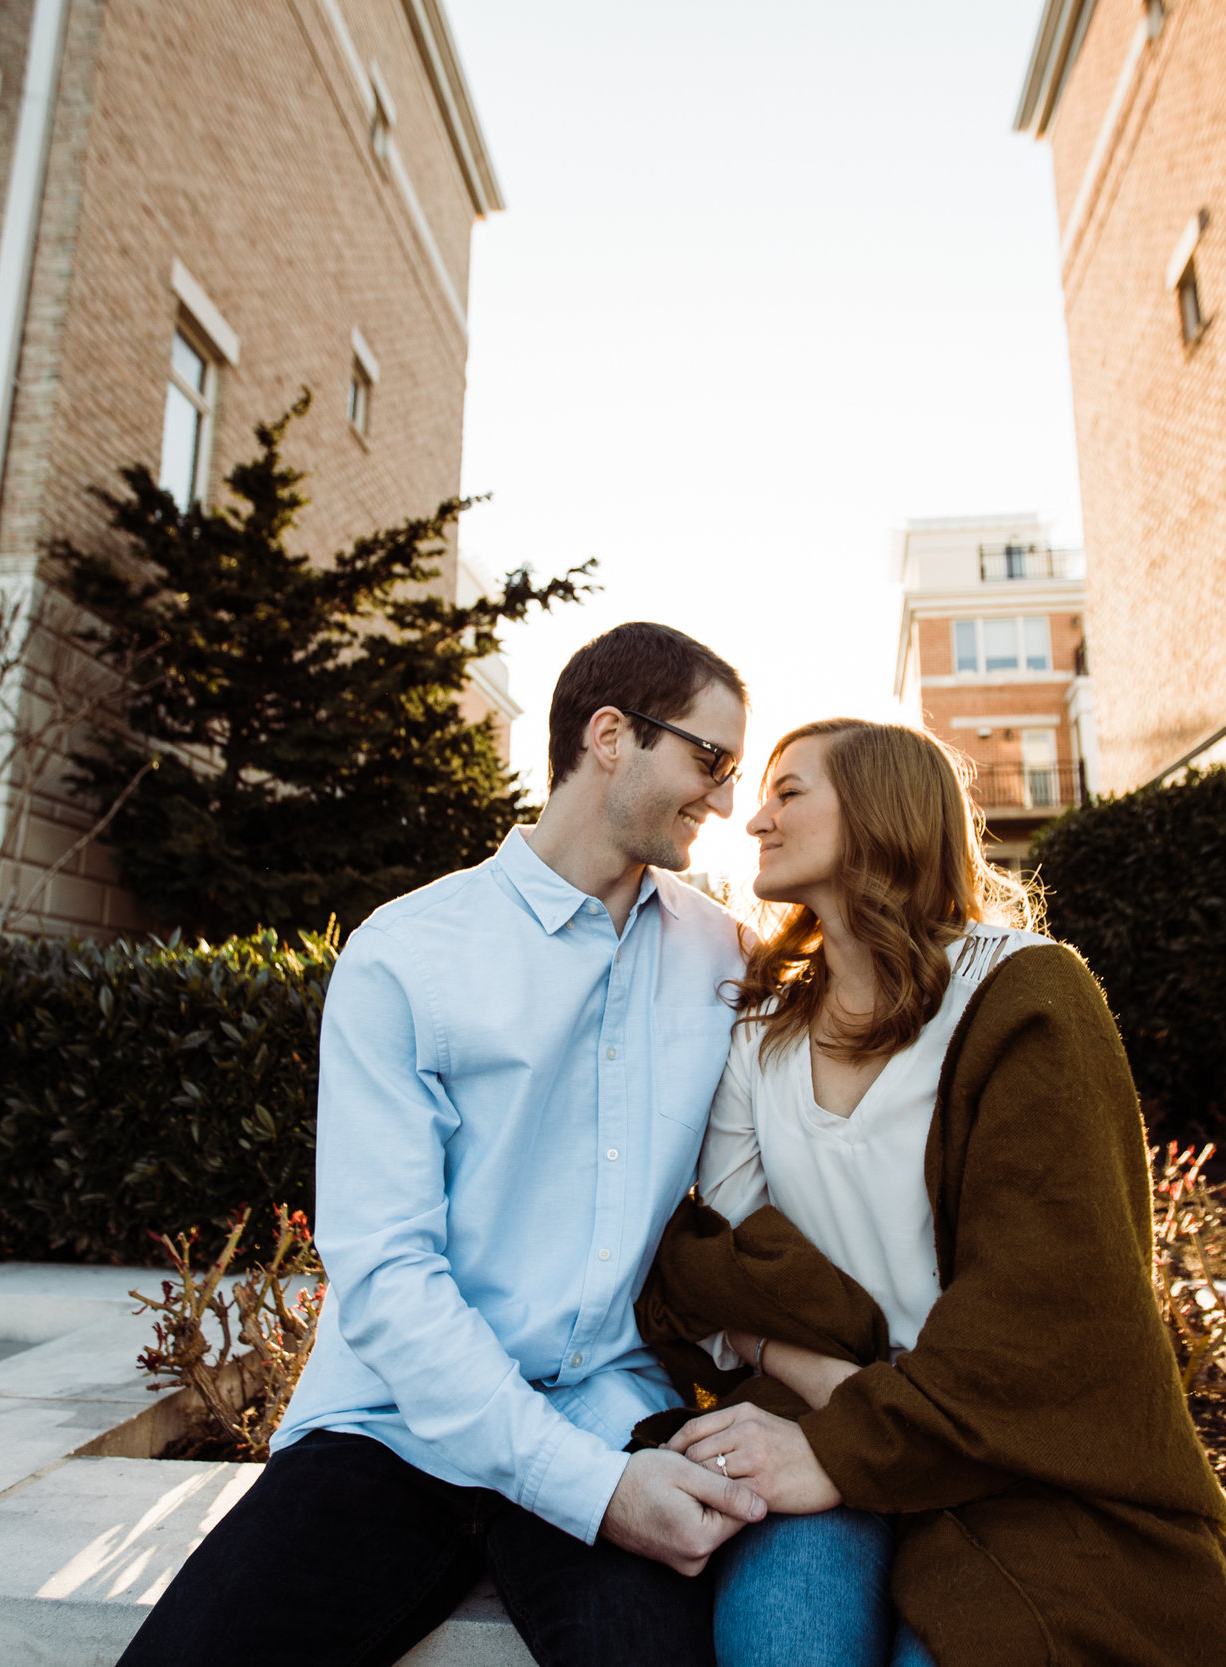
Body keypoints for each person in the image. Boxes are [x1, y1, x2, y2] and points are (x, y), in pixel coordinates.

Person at [116, 622, 771, 1667]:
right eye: (711, 760)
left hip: (613, 1412)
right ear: (611, 734)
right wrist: (588, 1489)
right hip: (391, 1427)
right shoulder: (406, 955)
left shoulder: (726, 958)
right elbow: (386, 1278)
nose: (728, 801)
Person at [632, 719, 1226, 1667]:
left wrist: (857, 1411)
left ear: (880, 809)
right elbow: (726, 1266)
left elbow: (1050, 1300)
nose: (754, 820)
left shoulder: (1026, 991)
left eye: (789, 791)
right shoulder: (763, 1030)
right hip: (813, 1426)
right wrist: (819, 1380)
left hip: (1018, 1458)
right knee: (784, 1646)